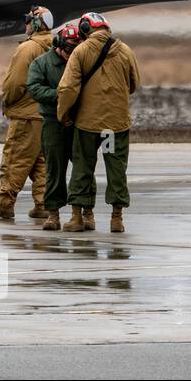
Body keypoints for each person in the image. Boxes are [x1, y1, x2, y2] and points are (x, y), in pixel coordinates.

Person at [56, 12, 141, 233]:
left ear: (85, 29)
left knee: (83, 167)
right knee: (116, 169)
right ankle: (116, 218)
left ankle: (78, 217)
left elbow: (67, 88)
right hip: (115, 127)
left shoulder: (81, 51)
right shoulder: (125, 51)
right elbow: (133, 84)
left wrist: (63, 114)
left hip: (87, 125)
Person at [0, 5, 53, 221]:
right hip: (45, 115)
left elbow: (15, 84)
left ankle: (3, 204)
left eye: (29, 20)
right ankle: (44, 204)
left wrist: (7, 102)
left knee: (15, 159)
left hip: (26, 116)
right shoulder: (54, 45)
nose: (26, 24)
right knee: (40, 162)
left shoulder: (28, 49)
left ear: (37, 24)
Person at [27, 22, 83, 230]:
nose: (72, 54)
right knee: (54, 170)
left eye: (77, 49)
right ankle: (53, 213)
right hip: (53, 122)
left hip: (80, 122)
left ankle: (85, 213)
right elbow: (34, 88)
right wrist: (61, 97)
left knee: (82, 169)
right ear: (59, 45)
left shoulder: (84, 61)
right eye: (69, 49)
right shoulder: (42, 63)